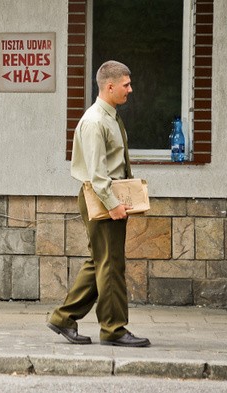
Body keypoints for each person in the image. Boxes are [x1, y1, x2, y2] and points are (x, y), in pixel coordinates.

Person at [47, 60, 151, 347]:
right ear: (110, 86)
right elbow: (97, 173)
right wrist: (113, 203)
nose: (130, 89)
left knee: (100, 262)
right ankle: (113, 329)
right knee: (111, 265)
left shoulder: (110, 117)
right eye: (126, 85)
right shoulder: (95, 121)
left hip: (107, 196)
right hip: (102, 197)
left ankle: (63, 318)